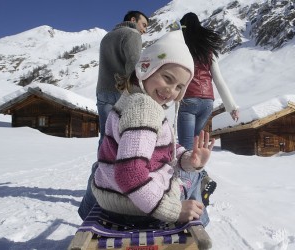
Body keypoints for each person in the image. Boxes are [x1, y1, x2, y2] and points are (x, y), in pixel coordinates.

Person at [78, 30, 215, 226]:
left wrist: (188, 159)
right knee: (194, 179)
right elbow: (130, 174)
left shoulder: (130, 99)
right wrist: (175, 210)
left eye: (179, 87)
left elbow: (157, 151)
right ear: (146, 68)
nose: (171, 90)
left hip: (115, 198)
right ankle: (198, 226)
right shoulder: (145, 109)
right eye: (167, 78)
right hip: (137, 206)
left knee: (190, 170)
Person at [177, 12, 240, 205]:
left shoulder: (182, 47)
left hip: (188, 102)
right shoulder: (207, 49)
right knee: (195, 149)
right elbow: (218, 80)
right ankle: (203, 178)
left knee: (188, 152)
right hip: (207, 102)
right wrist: (231, 106)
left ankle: (190, 197)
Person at [96, 11, 149, 147]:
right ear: (133, 20)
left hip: (103, 91)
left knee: (106, 137)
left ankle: (102, 166)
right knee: (124, 137)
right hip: (122, 92)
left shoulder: (107, 37)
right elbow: (133, 64)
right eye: (143, 25)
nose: (144, 30)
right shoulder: (132, 34)